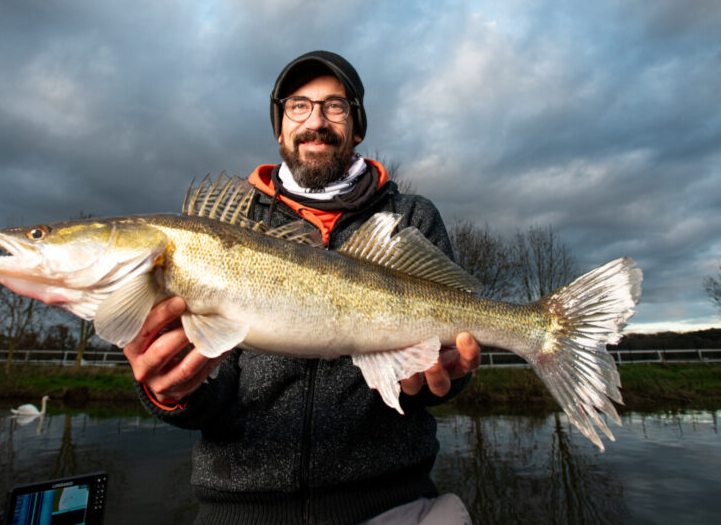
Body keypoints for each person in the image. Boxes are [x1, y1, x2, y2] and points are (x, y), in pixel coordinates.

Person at [124, 51, 480, 524]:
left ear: (356, 127)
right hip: (240, 512)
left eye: (335, 106)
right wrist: (171, 391)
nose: (316, 121)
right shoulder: (227, 226)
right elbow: (210, 394)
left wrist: (444, 376)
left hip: (394, 503)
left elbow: (448, 357)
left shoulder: (409, 217)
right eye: (298, 106)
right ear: (280, 129)